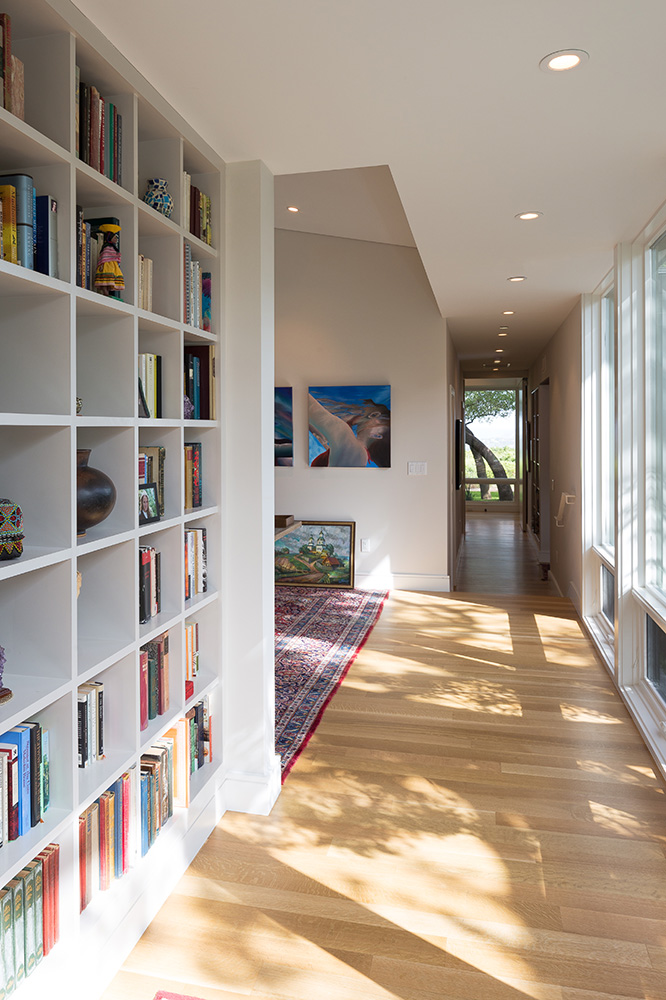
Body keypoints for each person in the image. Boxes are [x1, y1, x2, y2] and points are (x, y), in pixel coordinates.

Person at [309, 393, 390, 467]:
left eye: (375, 416)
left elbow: (309, 406)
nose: (369, 416)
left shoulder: (353, 448)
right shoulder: (358, 456)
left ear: (377, 435)